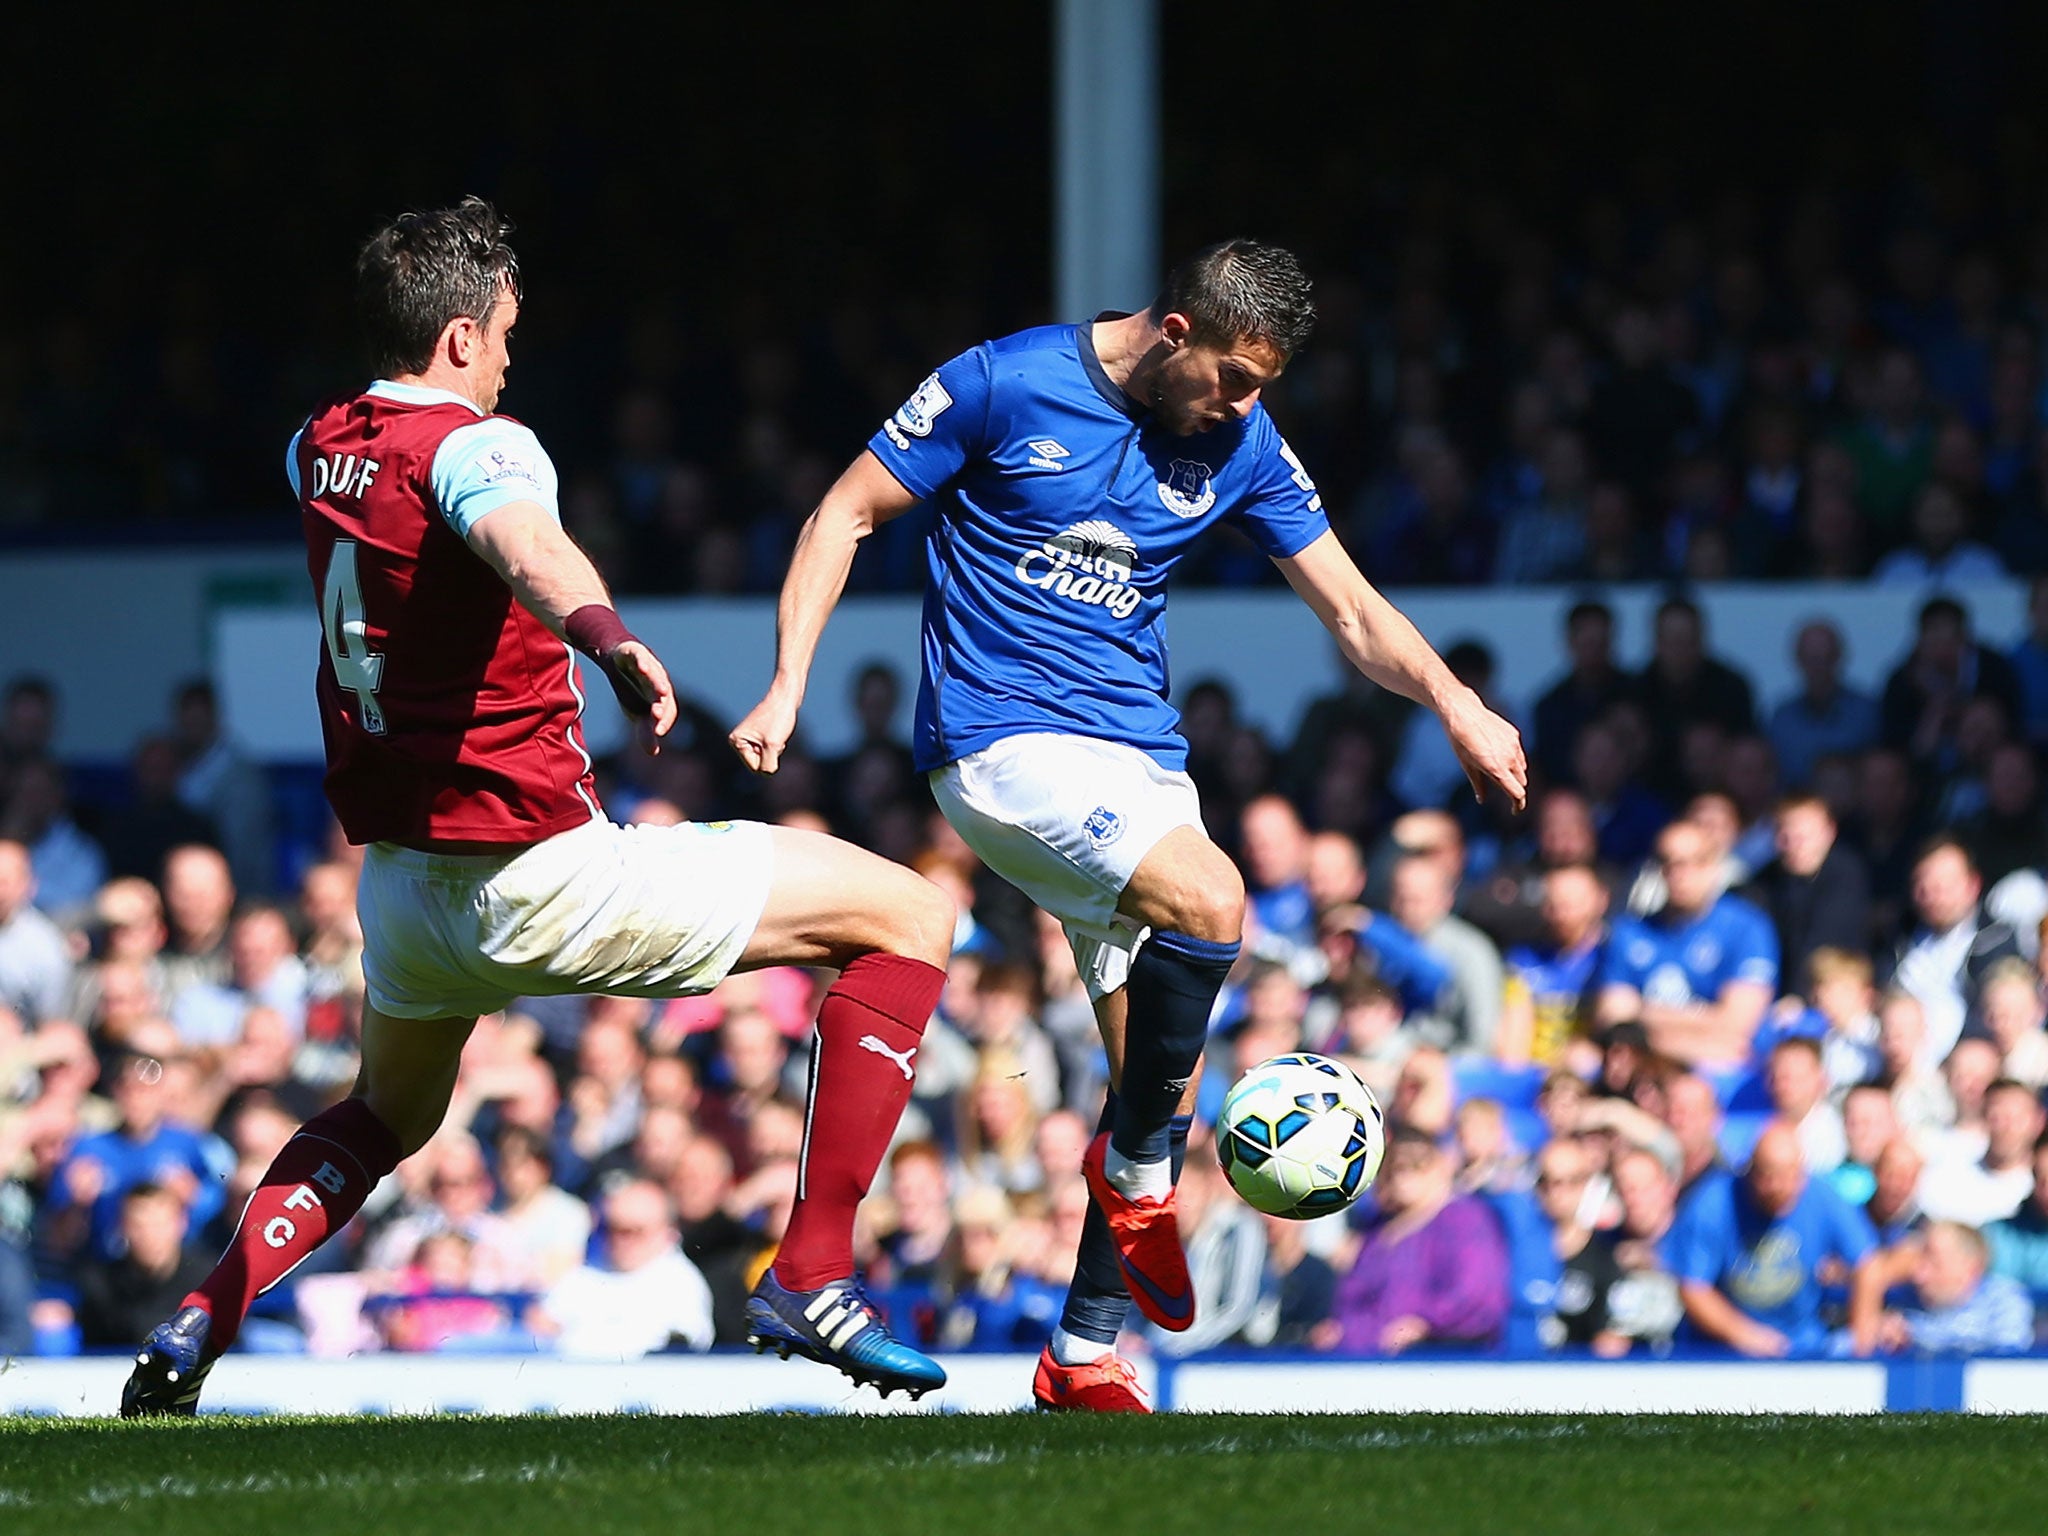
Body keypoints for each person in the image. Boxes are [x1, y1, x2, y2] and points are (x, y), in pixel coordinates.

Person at [122, 199, 957, 1417]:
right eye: (506, 329)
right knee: (911, 916)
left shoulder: (316, 443)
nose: (514, 352)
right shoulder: (484, 444)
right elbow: (526, 548)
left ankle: (206, 1314)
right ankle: (812, 1274)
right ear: (460, 337)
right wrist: (612, 642)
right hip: (541, 875)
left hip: (405, 890)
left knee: (387, 1113)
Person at [731, 239, 1525, 1410]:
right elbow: (845, 513)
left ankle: (1082, 1352)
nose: (1246, 407)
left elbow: (1350, 608)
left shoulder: (1241, 439)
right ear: (1173, 332)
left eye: (1264, 386)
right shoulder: (1004, 383)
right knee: (1211, 905)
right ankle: (1140, 1173)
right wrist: (789, 680)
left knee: (1154, 1069)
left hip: (1138, 759)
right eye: (1234, 378)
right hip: (999, 746)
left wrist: (1454, 704)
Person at [1675, 1121, 1877, 1357]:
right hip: (1724, 1352)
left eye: (1790, 1178)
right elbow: (1692, 1286)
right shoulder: (1713, 1202)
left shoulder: (1822, 1196)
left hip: (1804, 1348)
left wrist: (1861, 1342)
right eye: (1769, 1178)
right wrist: (1744, 1334)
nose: (1779, 1187)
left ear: (1802, 1173)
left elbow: (1868, 1263)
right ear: (1751, 1171)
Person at [1595, 819, 1779, 1068]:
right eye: (1667, 862)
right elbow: (1613, 1019)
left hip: (1712, 1071)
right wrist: (1698, 1026)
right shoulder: (1630, 931)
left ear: (1714, 865)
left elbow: (1737, 1024)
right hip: (1657, 1060)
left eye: (1693, 861)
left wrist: (1641, 1014)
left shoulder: (1748, 927)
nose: (1679, 873)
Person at [526, 1179, 715, 1359]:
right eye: (613, 1229)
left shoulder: (682, 1284)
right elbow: (541, 1327)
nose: (622, 1240)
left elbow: (683, 1349)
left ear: (668, 1231)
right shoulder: (585, 1273)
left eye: (635, 1231)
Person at [1888, 837, 2022, 1066]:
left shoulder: (1997, 941)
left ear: (1973, 885)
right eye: (1923, 886)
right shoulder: (1898, 940)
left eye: (1943, 886)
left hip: (1970, 1065)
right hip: (1899, 1065)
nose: (1932, 896)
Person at [1744, 794, 1871, 999]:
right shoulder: (1763, 882)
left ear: (1829, 832)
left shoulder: (1847, 874)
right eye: (1786, 836)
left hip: (1834, 993)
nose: (1794, 845)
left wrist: (1796, 996)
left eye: (1803, 837)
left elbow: (1823, 941)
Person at [1848, 1219, 2035, 1356]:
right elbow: (1842, 1348)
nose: (1919, 1273)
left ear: (1970, 1269)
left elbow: (2007, 1359)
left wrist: (1915, 1338)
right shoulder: (1902, 1299)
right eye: (1921, 1259)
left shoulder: (2005, 1300)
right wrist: (1877, 1333)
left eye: (1935, 1264)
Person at [1768, 621, 1880, 791]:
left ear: (1840, 657)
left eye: (1826, 657)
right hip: (1794, 809)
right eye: (1811, 659)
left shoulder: (1867, 713)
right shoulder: (1781, 719)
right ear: (1797, 659)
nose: (1818, 667)